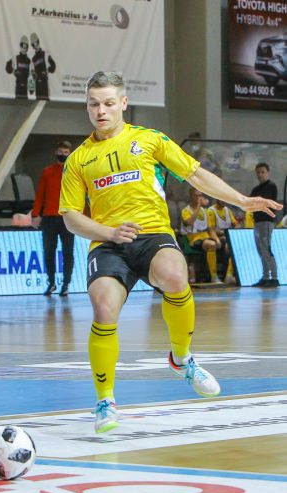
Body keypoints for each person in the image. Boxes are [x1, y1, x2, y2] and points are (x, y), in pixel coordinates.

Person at [59, 71, 282, 434]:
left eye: (108, 103)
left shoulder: (149, 140)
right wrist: (107, 232)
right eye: (94, 104)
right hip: (108, 242)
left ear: (123, 104)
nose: (101, 111)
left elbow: (194, 175)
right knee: (103, 308)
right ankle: (105, 400)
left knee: (177, 278)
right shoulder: (78, 160)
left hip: (152, 234)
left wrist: (242, 200)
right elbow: (69, 217)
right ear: (87, 106)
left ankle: (181, 359)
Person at [31, 141, 75, 297]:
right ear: (56, 152)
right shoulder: (47, 171)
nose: (62, 155)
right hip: (49, 217)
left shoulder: (73, 172)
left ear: (70, 153)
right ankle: (51, 282)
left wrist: (81, 216)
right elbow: (40, 194)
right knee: (49, 251)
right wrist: (35, 214)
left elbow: (80, 194)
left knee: (67, 252)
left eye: (66, 152)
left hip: (67, 217)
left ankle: (66, 284)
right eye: (60, 151)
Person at [180, 187, 222, 284]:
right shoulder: (185, 210)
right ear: (191, 196)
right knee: (211, 244)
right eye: (196, 195)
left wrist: (217, 239)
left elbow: (211, 229)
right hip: (193, 239)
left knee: (223, 243)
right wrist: (198, 206)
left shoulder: (205, 211)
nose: (199, 198)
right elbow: (189, 223)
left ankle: (225, 275)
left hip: (205, 237)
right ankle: (214, 276)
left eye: (200, 195)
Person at [250, 162, 279, 287]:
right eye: (258, 172)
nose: (260, 174)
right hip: (257, 222)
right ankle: (266, 276)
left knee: (266, 249)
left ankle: (274, 277)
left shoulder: (271, 186)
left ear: (268, 172)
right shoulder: (256, 189)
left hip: (266, 222)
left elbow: (263, 201)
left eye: (263, 172)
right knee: (261, 250)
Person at [207, 199, 240, 284]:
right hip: (218, 237)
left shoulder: (227, 210)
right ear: (216, 199)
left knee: (235, 245)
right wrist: (217, 240)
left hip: (227, 236)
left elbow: (236, 224)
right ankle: (214, 276)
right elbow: (212, 231)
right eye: (221, 199)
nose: (224, 201)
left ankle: (229, 275)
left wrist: (235, 233)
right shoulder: (211, 211)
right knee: (229, 245)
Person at [30, 32, 56, 100]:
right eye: (33, 44)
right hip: (37, 87)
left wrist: (47, 70)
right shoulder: (33, 59)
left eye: (36, 42)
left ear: (38, 42)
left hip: (44, 84)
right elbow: (32, 75)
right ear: (32, 45)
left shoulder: (45, 54)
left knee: (46, 104)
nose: (35, 45)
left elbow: (53, 65)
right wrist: (33, 74)